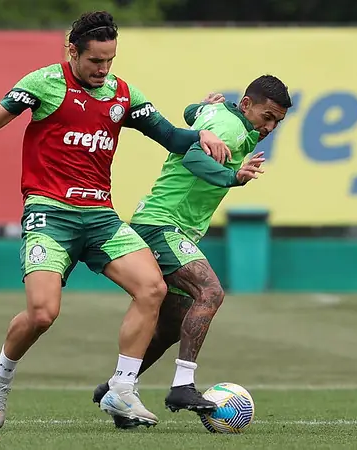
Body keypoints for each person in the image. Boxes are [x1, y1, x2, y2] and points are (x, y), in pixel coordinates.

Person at [0, 11, 232, 430]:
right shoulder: (42, 84)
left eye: (110, 60)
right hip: (50, 212)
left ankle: (122, 388)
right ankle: (2, 372)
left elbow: (170, 136)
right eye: (95, 61)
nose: (103, 70)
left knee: (152, 288)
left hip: (100, 216)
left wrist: (201, 133)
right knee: (43, 314)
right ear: (73, 52)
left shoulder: (122, 95)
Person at [91, 75, 293, 429]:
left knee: (172, 324)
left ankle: (117, 387)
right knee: (210, 292)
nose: (270, 127)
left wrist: (201, 107)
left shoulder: (225, 119)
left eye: (277, 121)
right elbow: (193, 158)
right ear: (246, 104)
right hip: (162, 225)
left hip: (167, 225)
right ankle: (182, 386)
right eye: (268, 116)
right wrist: (233, 177)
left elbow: (191, 114)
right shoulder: (229, 128)